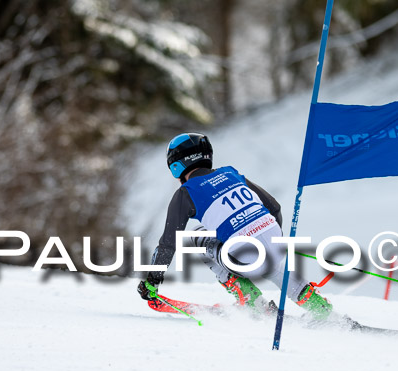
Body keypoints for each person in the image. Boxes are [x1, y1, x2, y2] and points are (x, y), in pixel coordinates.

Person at [137, 132, 333, 320]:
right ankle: (316, 305)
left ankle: (251, 300)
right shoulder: (231, 173)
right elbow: (274, 207)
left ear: (177, 165)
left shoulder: (185, 193)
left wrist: (152, 281)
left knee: (194, 236)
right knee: (272, 263)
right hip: (276, 242)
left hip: (244, 258)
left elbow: (169, 244)